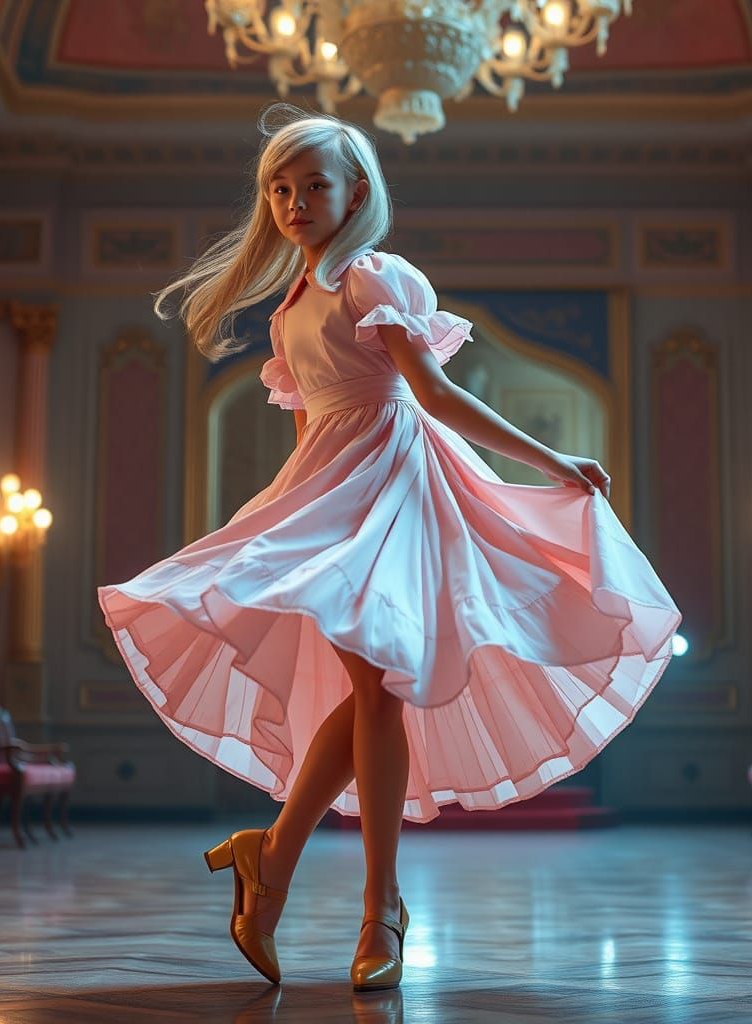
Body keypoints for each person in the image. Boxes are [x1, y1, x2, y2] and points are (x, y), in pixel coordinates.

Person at [97, 102, 681, 993]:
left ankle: (327, 879)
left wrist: (553, 458)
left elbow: (436, 396)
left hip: (403, 481)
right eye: (280, 189)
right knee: (376, 688)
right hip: (331, 489)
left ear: (355, 191)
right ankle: (339, 886)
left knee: (380, 686)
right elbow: (310, 432)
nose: (294, 202)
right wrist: (288, 517)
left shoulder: (373, 279)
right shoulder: (294, 302)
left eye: (314, 185)